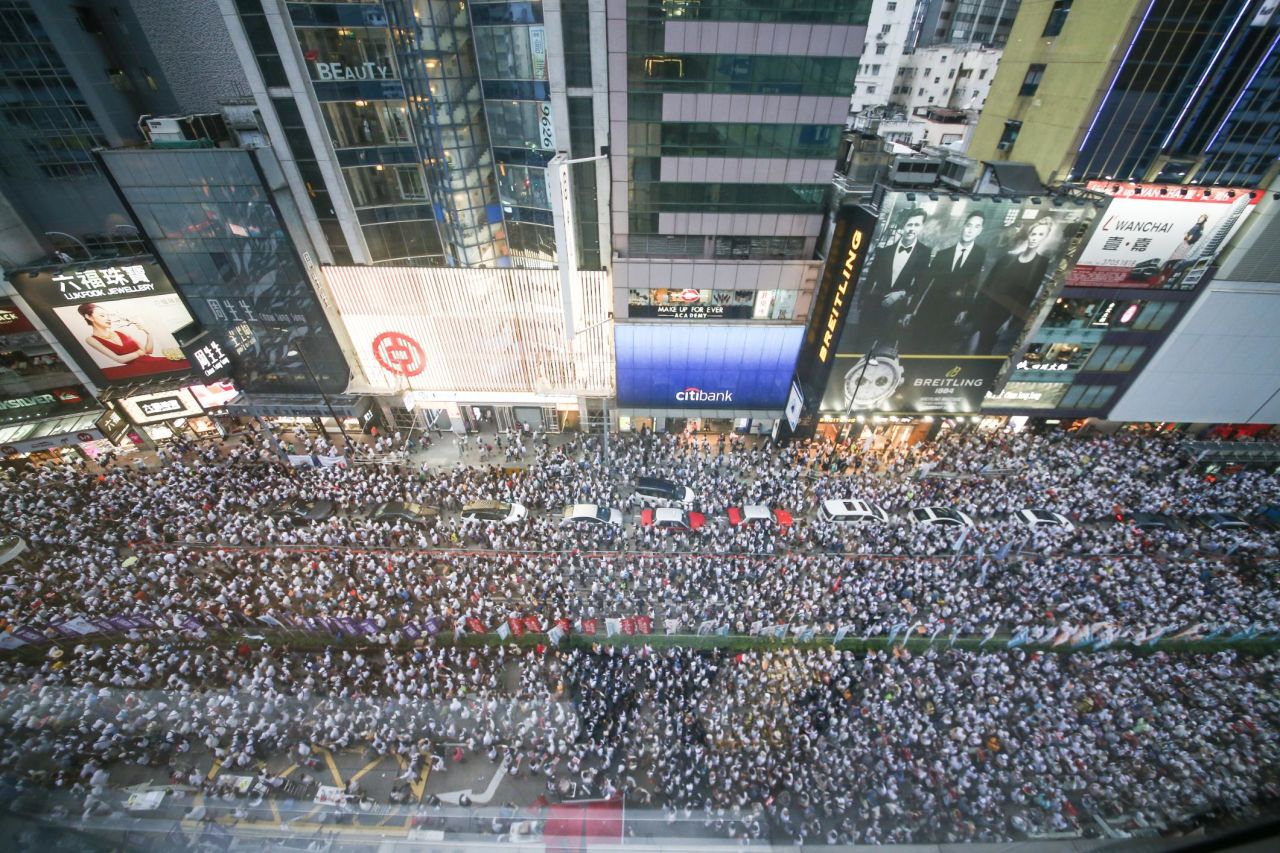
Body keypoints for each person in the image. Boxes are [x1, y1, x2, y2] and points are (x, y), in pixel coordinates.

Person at [843, 208, 933, 352]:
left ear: (921, 227)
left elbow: (920, 284)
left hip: (896, 310)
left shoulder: (924, 253)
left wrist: (901, 293)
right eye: (909, 225)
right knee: (861, 345)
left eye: (916, 225)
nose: (912, 229)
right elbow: (870, 279)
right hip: (873, 306)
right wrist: (861, 303)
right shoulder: (884, 251)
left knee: (882, 350)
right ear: (903, 226)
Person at [909, 211, 989, 354]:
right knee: (918, 347)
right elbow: (925, 284)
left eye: (976, 227)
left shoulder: (980, 255)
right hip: (930, 310)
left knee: (939, 350)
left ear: (980, 231)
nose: (971, 230)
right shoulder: (943, 254)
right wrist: (912, 309)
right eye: (969, 225)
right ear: (963, 226)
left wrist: (966, 310)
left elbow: (974, 286)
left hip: (954, 313)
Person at [971, 217, 1054, 354]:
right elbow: (987, 284)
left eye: (1040, 235)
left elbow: (1027, 297)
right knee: (964, 347)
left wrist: (1009, 321)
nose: (1035, 238)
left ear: (1045, 238)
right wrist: (973, 311)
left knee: (983, 349)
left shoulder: (1041, 264)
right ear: (1029, 234)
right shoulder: (1008, 258)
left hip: (1002, 315)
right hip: (984, 309)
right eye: (1033, 234)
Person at [77, 302, 189, 377]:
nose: (107, 318)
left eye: (108, 315)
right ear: (89, 317)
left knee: (184, 361)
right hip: (139, 368)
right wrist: (140, 353)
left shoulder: (120, 332)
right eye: (102, 316)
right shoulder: (91, 339)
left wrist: (148, 332)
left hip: (151, 361)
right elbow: (119, 359)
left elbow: (148, 351)